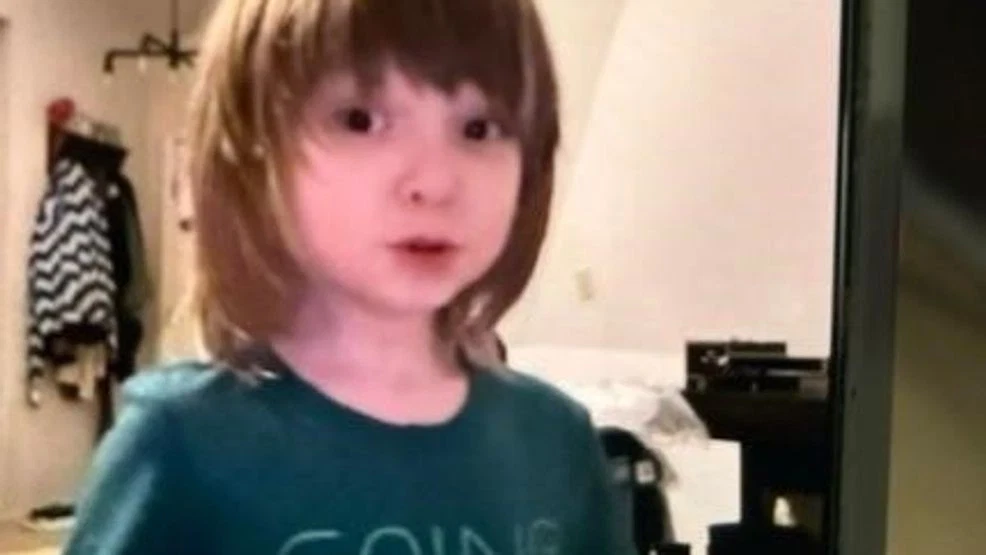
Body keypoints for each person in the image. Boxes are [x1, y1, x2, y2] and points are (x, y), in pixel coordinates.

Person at [64, 0, 635, 553]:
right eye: (361, 120)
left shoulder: (556, 443)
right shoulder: (181, 445)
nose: (435, 182)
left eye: (479, 128)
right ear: (256, 154)